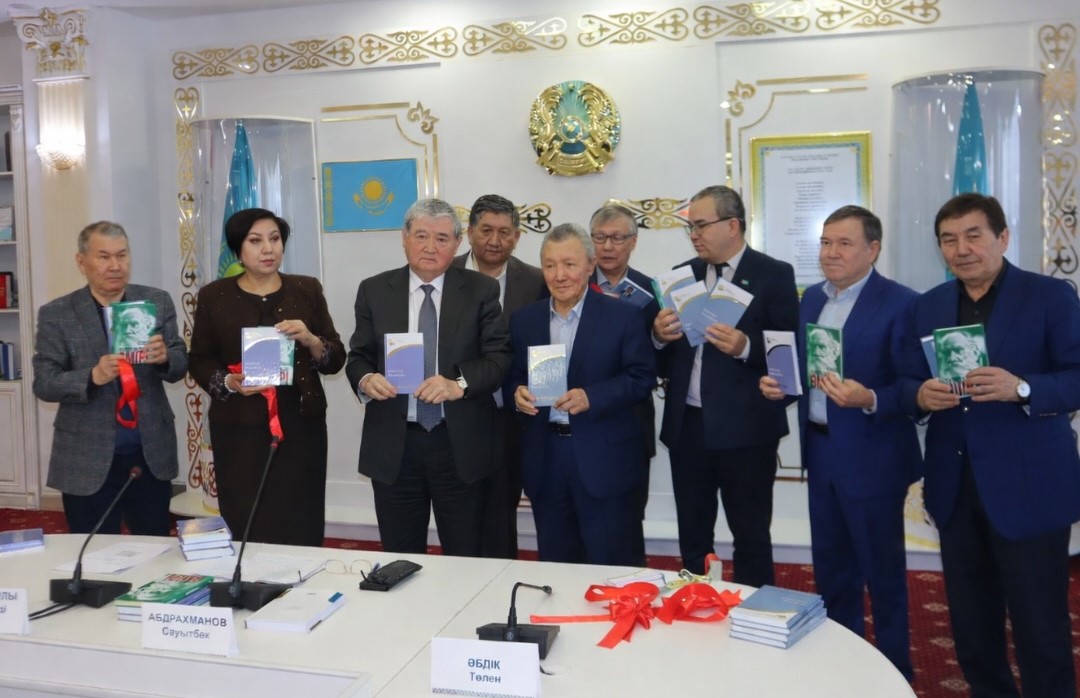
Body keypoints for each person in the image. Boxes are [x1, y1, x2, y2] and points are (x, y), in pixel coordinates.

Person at [898, 193, 1080, 698]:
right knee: (972, 625)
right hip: (955, 487)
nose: (962, 249)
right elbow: (906, 381)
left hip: (1030, 488)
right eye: (949, 240)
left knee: (1040, 626)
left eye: (974, 236)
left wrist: (1022, 388)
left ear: (1003, 237)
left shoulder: (1050, 296)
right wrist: (920, 395)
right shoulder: (928, 306)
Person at [760, 205, 920, 680]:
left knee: (882, 575)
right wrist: (783, 386)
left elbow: (913, 386)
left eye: (844, 243)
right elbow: (809, 369)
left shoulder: (902, 303)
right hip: (822, 452)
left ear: (873, 249)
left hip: (874, 456)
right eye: (825, 242)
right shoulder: (811, 298)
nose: (831, 252)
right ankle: (843, 669)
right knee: (832, 571)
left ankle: (893, 673)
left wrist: (869, 397)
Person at [346, 198, 511, 557]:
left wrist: (458, 385)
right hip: (395, 446)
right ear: (404, 238)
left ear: (458, 244)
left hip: (458, 444)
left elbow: (499, 359)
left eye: (441, 238)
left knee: (466, 553)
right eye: (421, 236)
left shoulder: (481, 290)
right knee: (400, 554)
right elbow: (358, 356)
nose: (430, 247)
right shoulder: (374, 290)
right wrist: (366, 379)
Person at [653, 185, 798, 584]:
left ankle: (755, 611)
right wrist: (658, 337)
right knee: (693, 536)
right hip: (688, 428)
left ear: (732, 226)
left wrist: (746, 347)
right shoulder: (682, 276)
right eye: (691, 227)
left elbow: (789, 353)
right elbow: (663, 358)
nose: (694, 235)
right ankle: (692, 607)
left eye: (701, 225)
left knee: (751, 537)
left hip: (747, 430)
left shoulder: (773, 274)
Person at [189, 208, 345, 546]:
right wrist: (228, 382)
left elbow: (335, 359)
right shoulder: (214, 296)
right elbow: (199, 359)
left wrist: (311, 340)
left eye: (274, 239)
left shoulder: (306, 289)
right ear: (238, 250)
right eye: (255, 241)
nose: (268, 248)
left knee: (300, 516)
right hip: (239, 429)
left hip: (300, 426)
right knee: (247, 518)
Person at [507, 223, 656, 565]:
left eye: (569, 264)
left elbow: (642, 377)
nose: (559, 275)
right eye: (550, 265)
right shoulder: (525, 320)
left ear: (590, 265)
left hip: (604, 461)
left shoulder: (624, 316)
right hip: (546, 459)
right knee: (556, 564)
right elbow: (513, 374)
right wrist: (516, 392)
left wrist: (593, 397)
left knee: (611, 564)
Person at [32, 221, 188, 536]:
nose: (115, 266)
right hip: (86, 456)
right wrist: (92, 376)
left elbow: (181, 363)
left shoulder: (156, 302)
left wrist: (166, 357)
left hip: (149, 452)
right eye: (103, 257)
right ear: (81, 262)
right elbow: (45, 383)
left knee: (155, 547)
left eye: (122, 255)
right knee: (94, 553)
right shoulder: (57, 313)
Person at [453, 194, 547, 560]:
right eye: (486, 230)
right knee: (458, 514)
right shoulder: (445, 273)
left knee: (501, 514)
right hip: (456, 414)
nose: (495, 240)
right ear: (470, 232)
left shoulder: (537, 281)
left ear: (517, 237)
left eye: (505, 232)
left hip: (513, 417)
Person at [589, 203, 661, 564]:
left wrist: (659, 338)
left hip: (630, 421)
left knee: (628, 522)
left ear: (633, 242)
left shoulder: (652, 291)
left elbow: (662, 362)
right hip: (583, 419)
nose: (607, 247)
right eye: (600, 238)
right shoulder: (571, 282)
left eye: (617, 238)